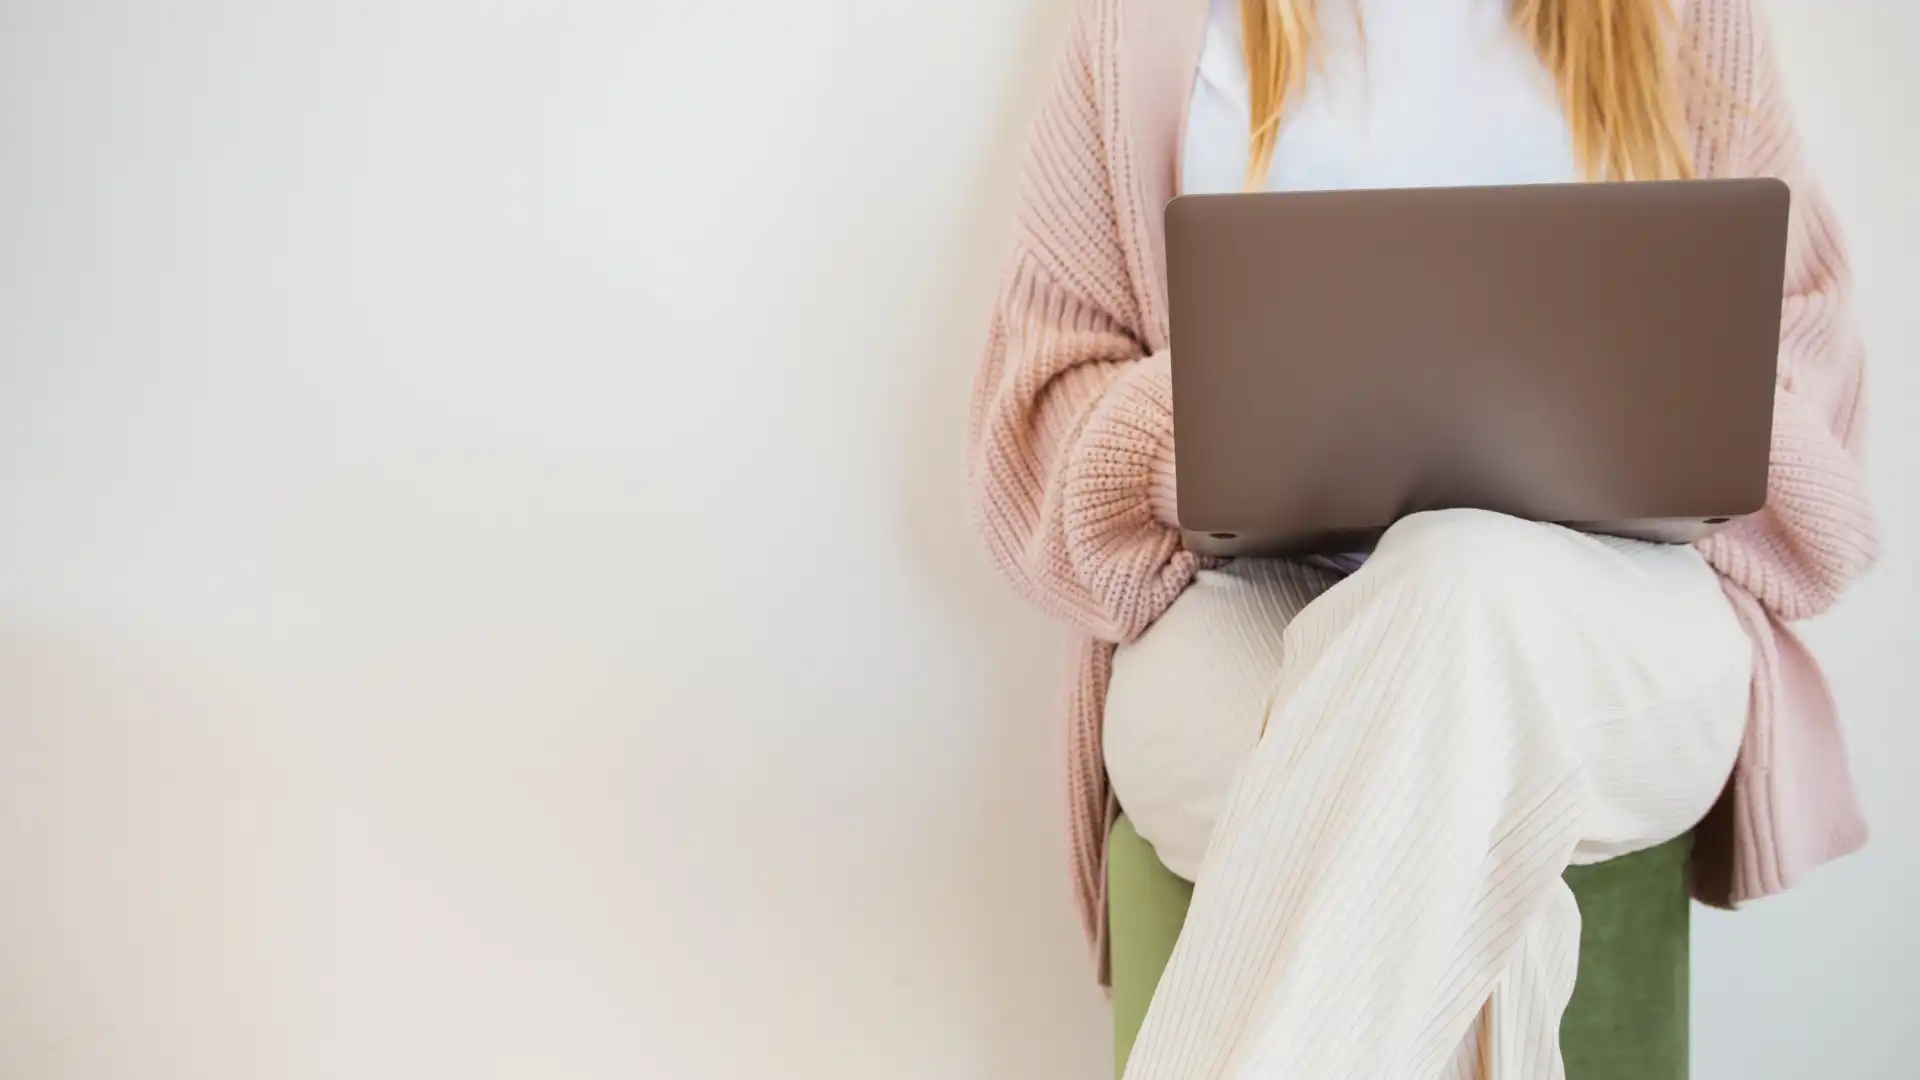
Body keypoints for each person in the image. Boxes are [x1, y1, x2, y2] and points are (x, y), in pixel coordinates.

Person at [966, 0, 1878, 1076]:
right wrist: (1214, 414)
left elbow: (1807, 368)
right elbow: (1039, 405)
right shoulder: (1151, 25)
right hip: (1246, 606)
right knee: (1461, 804)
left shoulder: (1686, 14)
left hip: (1610, 614)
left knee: (1457, 581)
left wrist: (1648, 389)